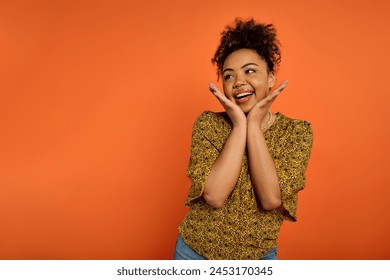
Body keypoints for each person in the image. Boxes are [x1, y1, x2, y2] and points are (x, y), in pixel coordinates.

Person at [174, 18, 313, 260]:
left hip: (258, 257)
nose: (238, 82)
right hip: (194, 254)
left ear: (271, 78)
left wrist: (254, 127)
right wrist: (240, 124)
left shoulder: (297, 132)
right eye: (228, 76)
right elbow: (215, 196)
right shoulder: (208, 124)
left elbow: (270, 200)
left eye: (250, 71)